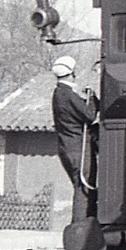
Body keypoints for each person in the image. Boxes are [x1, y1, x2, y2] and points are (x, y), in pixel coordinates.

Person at [50, 55, 99, 218]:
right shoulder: (68, 95)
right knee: (83, 190)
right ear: (72, 73)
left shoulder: (58, 94)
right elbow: (90, 116)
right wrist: (92, 98)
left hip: (67, 148)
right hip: (79, 149)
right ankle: (80, 230)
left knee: (80, 188)